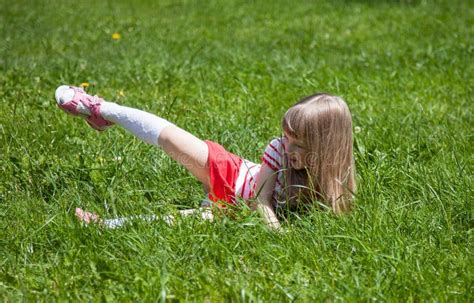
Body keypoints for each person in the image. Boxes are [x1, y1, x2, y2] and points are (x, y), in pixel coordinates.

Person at [55, 85, 356, 230]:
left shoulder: (333, 182)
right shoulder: (278, 149)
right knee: (174, 140)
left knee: (177, 222)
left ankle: (104, 225)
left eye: (297, 144)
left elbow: (333, 214)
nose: (287, 146)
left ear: (324, 148)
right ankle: (102, 110)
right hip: (236, 177)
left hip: (235, 211)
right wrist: (276, 231)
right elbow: (261, 200)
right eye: (286, 136)